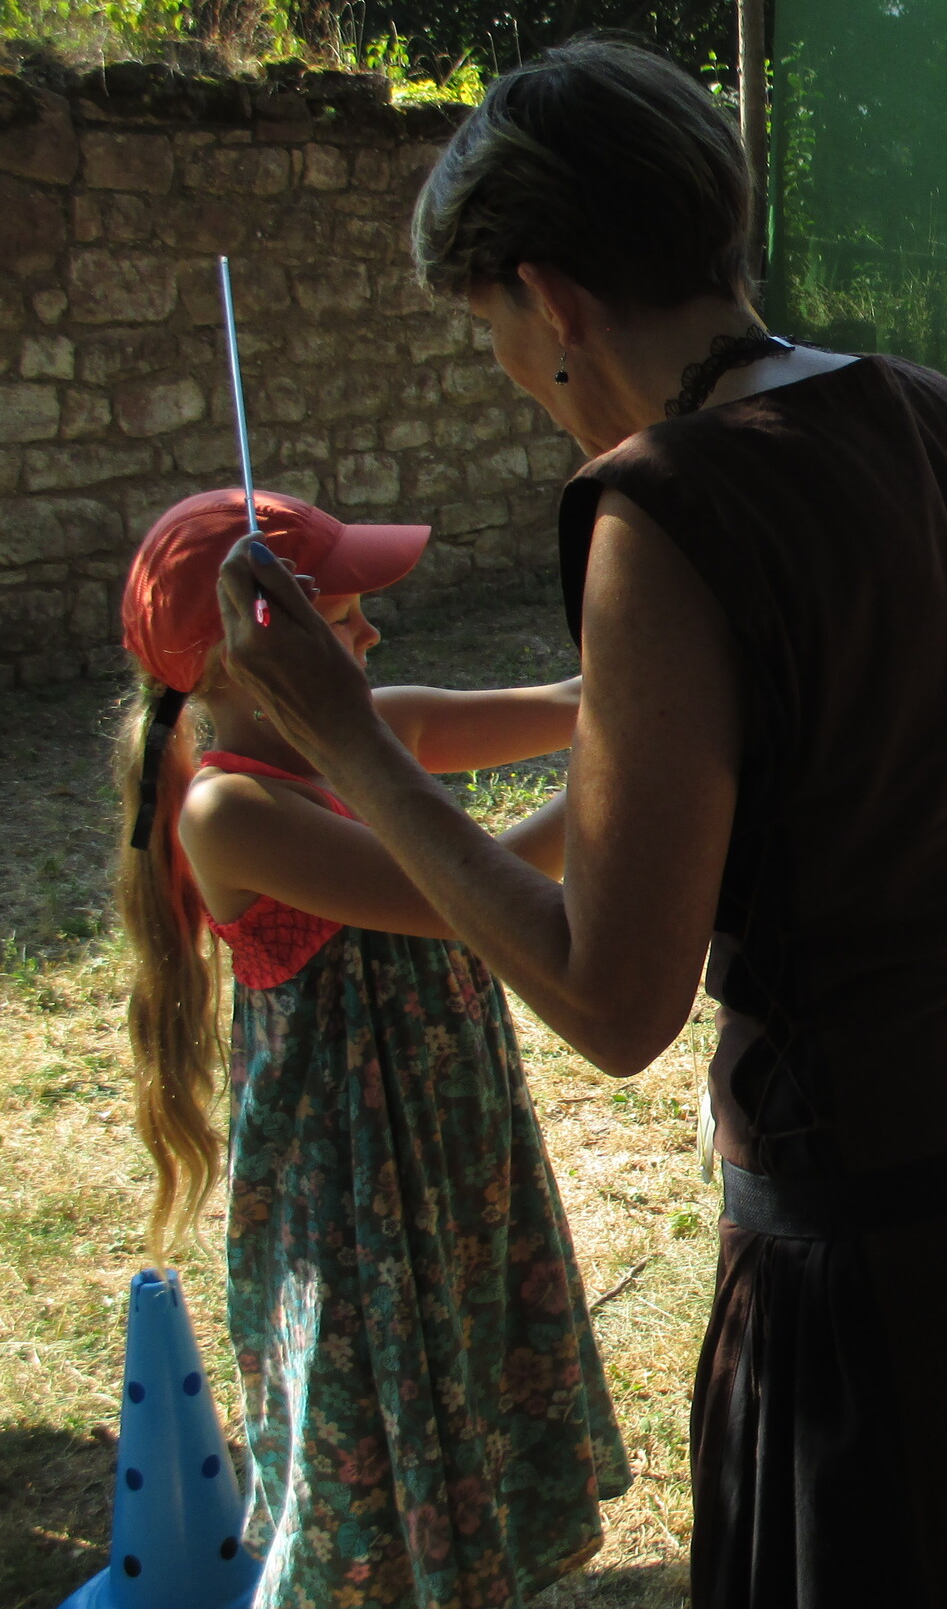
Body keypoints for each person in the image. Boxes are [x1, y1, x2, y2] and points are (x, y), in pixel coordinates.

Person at [214, 36, 947, 1605]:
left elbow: (615, 1002)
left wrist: (343, 738)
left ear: (550, 297)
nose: (511, 373)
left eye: (493, 332)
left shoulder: (665, 507)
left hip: (886, 1258)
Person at [115, 487, 628, 1603]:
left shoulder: (375, 728)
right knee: (371, 1426)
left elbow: (570, 700)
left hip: (443, 1148)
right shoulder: (228, 815)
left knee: (468, 1364)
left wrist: (669, 666)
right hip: (353, 1194)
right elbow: (468, 893)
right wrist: (637, 784)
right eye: (343, 617)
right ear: (250, 655)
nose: (372, 633)